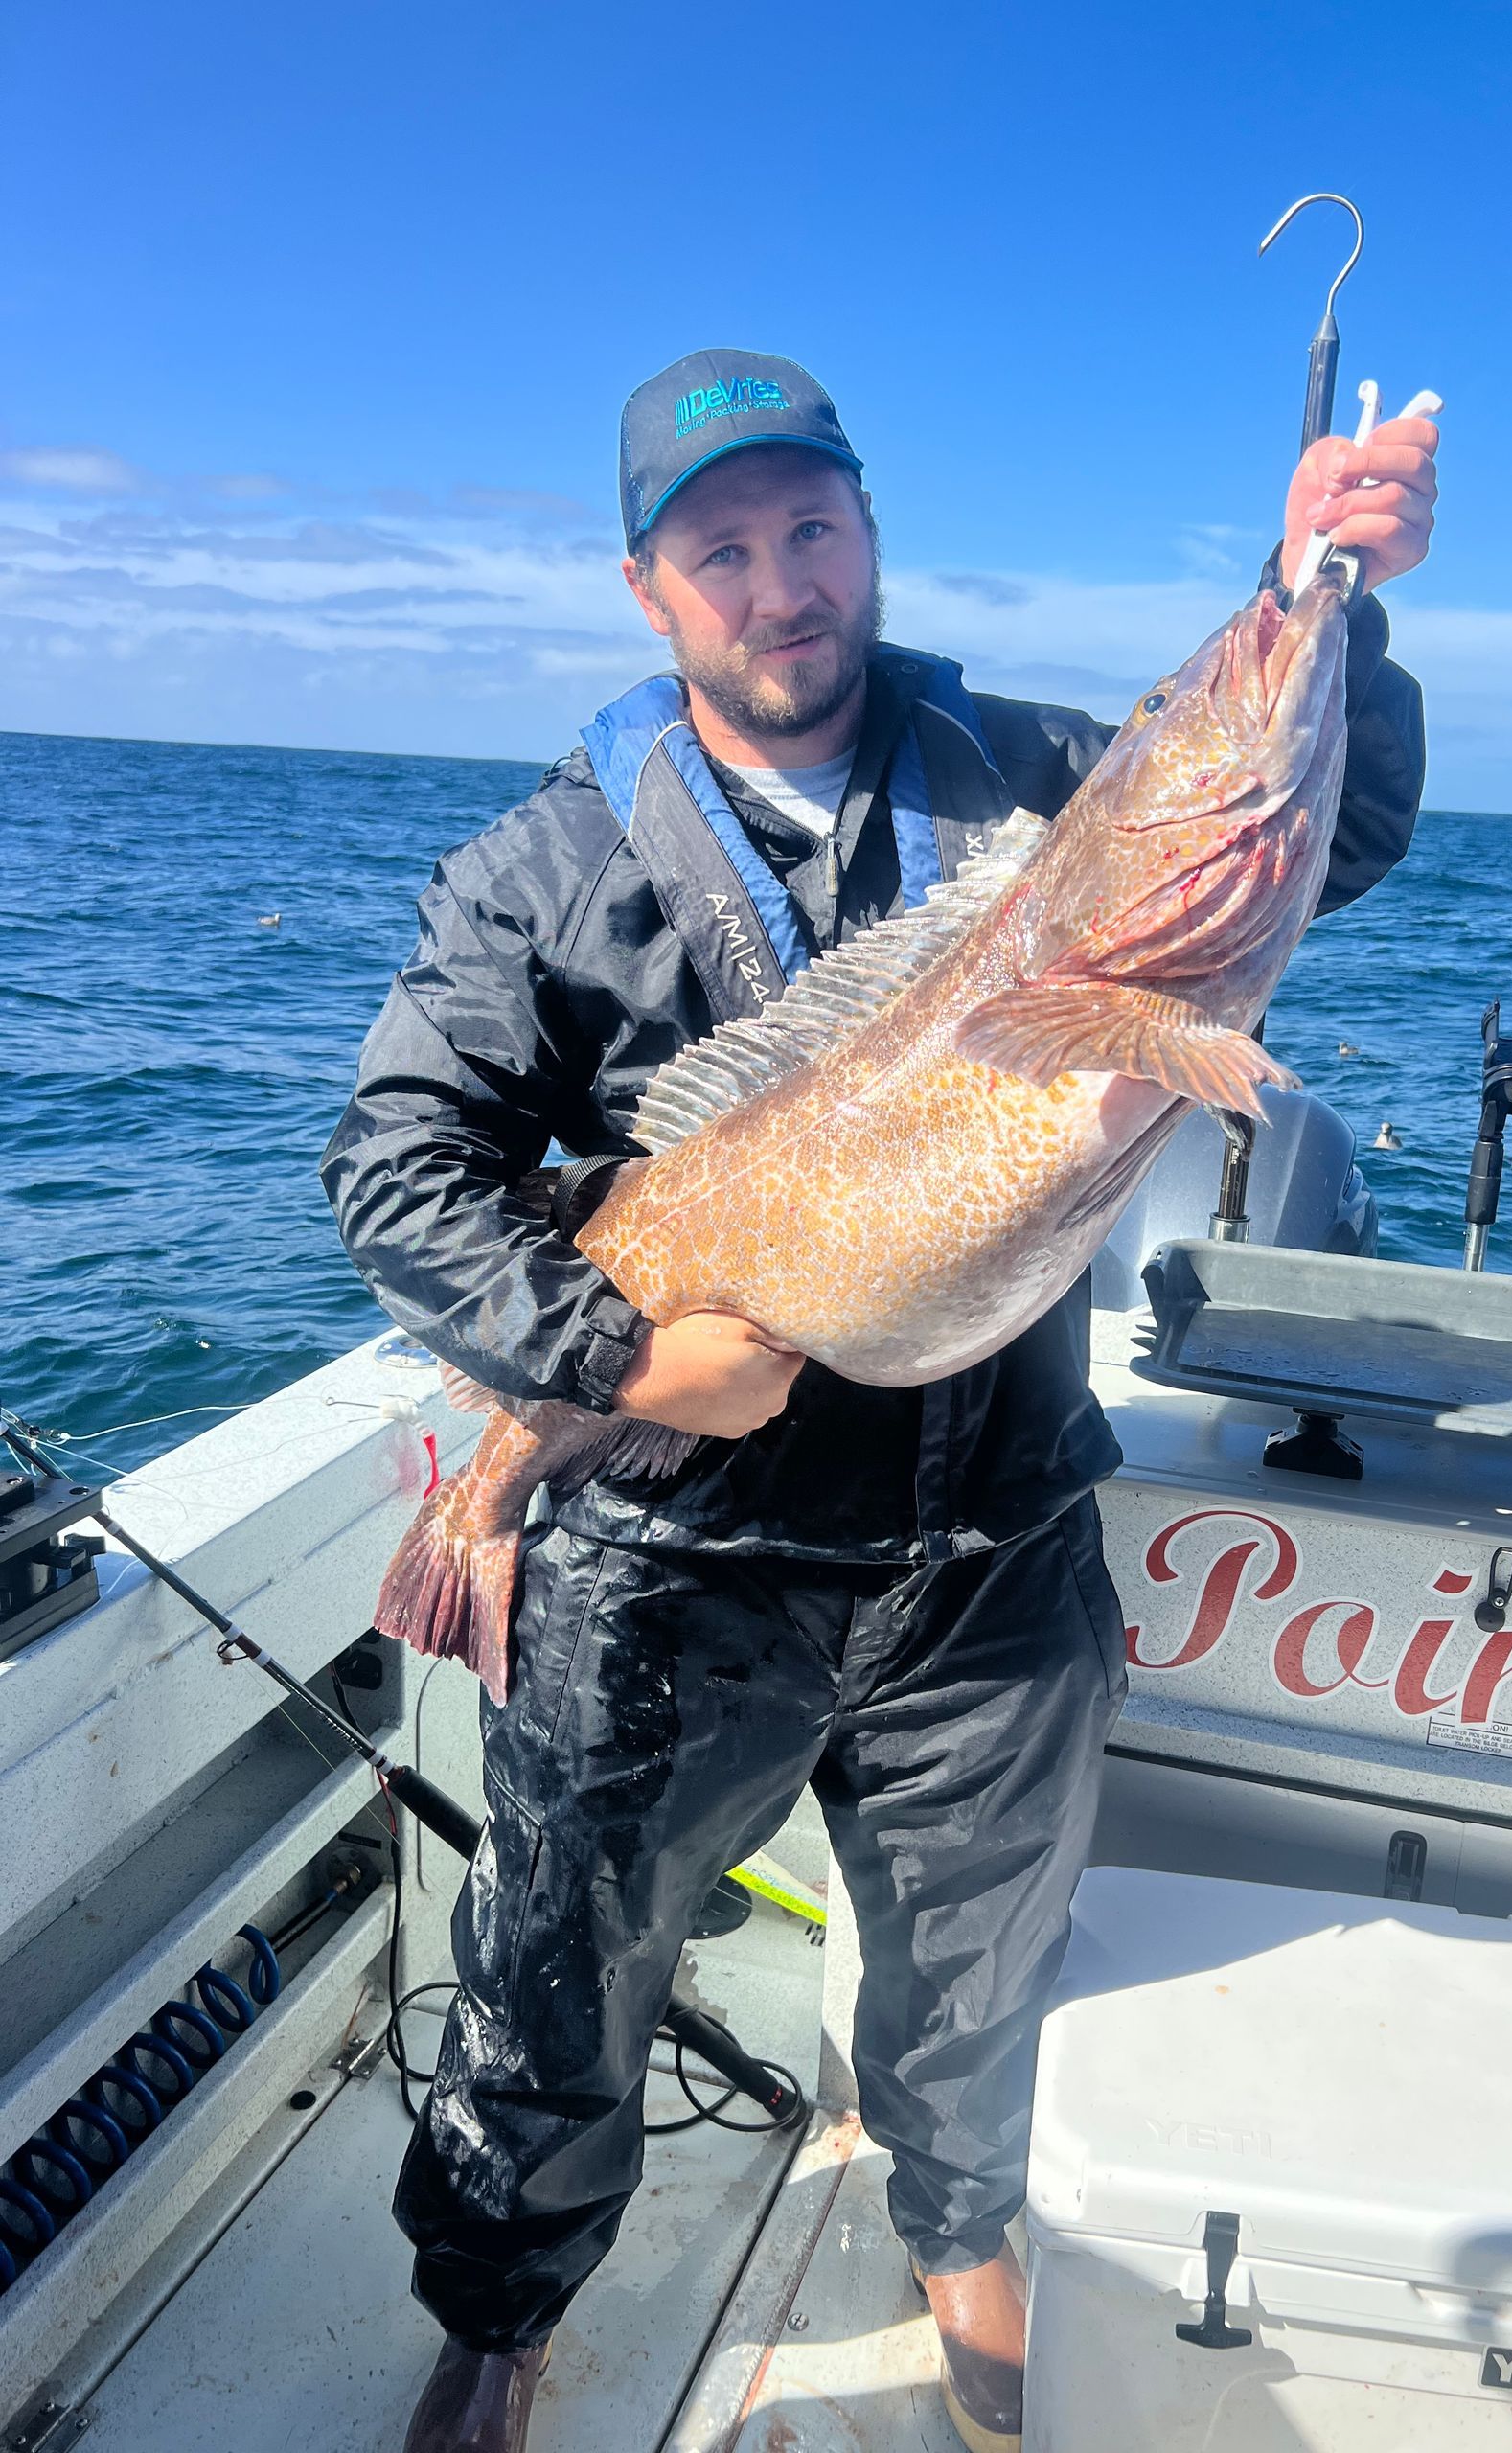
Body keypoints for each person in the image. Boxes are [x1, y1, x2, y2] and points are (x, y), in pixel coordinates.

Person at [322, 347, 1439, 2453]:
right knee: (562, 1965)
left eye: (811, 528)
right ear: (646, 586)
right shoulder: (542, 870)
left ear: (868, 529)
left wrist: (1334, 608)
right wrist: (624, 1363)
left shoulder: (1036, 772)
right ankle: (500, 2314)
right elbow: (396, 1167)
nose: (782, 584)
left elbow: (1326, 824)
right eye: (721, 551)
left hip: (987, 1527)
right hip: (668, 1554)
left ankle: (959, 2235)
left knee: (978, 1964)